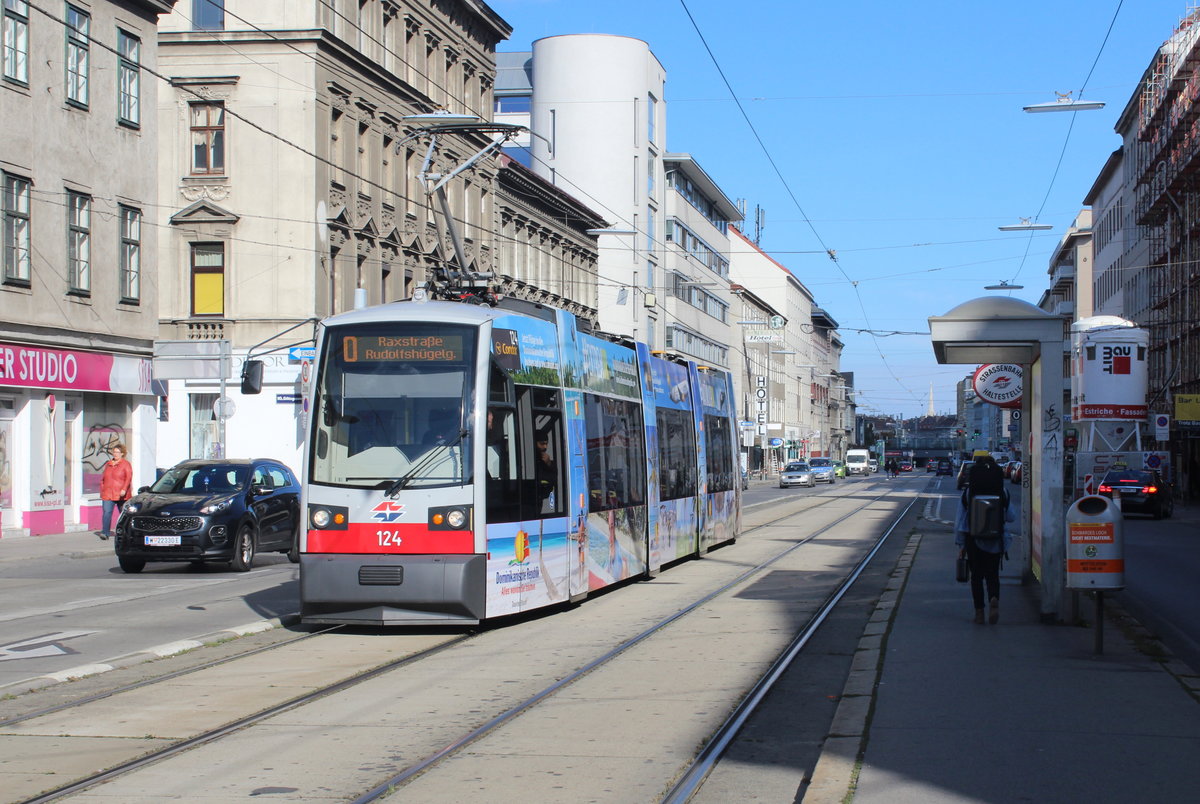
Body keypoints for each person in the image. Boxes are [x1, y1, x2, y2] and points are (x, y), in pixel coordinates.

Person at [954, 453, 1012, 624]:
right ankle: (994, 598)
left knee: (977, 577)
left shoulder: (968, 493)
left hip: (974, 540)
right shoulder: (1003, 492)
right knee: (993, 575)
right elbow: (1011, 517)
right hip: (995, 540)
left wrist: (961, 544)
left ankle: (979, 612)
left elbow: (961, 521)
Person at [96, 443, 132, 540]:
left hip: (121, 494)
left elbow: (128, 478)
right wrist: (102, 490)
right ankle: (105, 532)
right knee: (107, 512)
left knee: (123, 514)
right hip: (108, 493)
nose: (115, 454)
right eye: (114, 452)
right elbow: (103, 479)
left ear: (122, 454)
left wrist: (124, 489)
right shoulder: (108, 464)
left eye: (117, 452)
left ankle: (126, 532)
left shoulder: (126, 464)